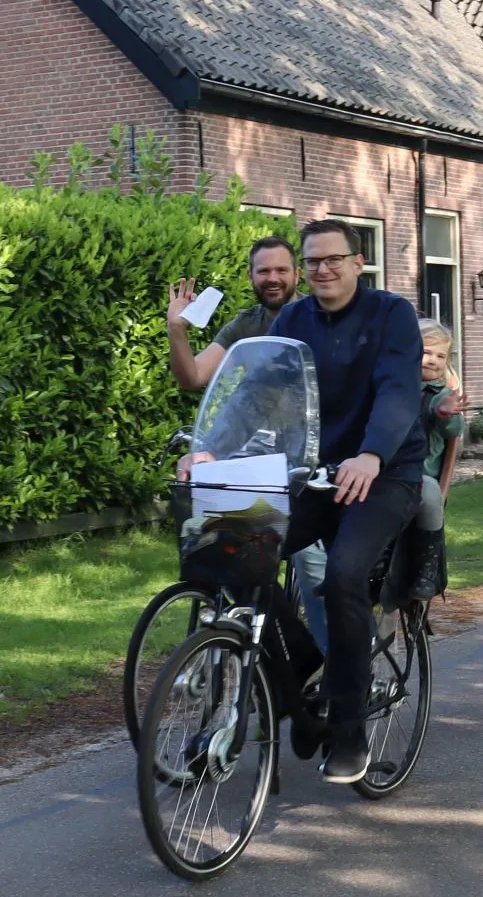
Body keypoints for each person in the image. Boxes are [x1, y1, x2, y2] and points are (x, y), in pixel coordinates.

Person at [268, 218, 427, 785]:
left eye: (333, 259)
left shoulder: (391, 314)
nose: (322, 270)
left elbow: (397, 389)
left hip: (385, 474)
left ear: (359, 263)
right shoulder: (294, 319)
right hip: (318, 476)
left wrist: (373, 454)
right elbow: (267, 391)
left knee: (343, 575)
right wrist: (218, 450)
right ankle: (305, 656)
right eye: (312, 262)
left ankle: (350, 729)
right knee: (245, 552)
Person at [167, 236, 300, 392]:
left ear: (296, 275)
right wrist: (176, 328)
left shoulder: (321, 317)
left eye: (281, 270)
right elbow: (193, 377)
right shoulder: (245, 326)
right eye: (263, 271)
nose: (272, 278)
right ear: (251, 276)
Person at [414, 318, 466, 568]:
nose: (432, 360)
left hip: (422, 474)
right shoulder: (394, 387)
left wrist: (444, 415)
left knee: (430, 494)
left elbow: (454, 431)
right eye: (425, 352)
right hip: (383, 471)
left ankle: (428, 562)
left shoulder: (442, 396)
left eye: (440, 356)